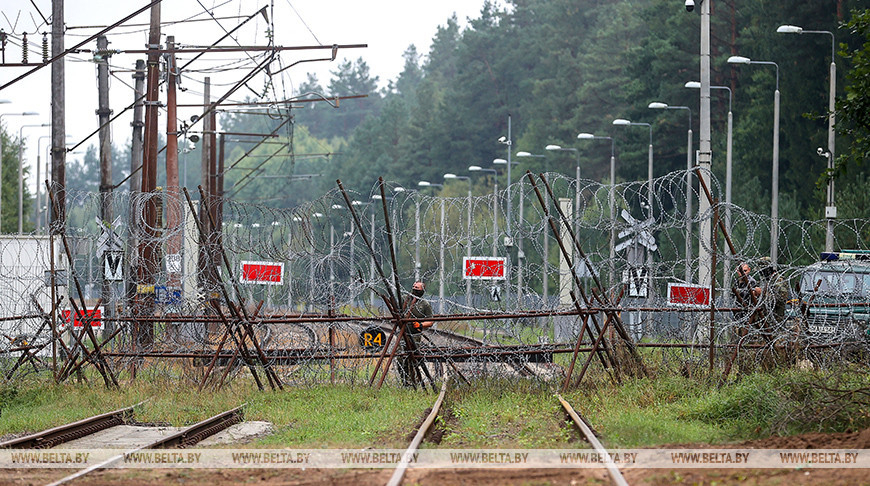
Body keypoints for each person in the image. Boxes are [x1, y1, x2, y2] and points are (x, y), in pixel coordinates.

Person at [397, 281, 434, 387]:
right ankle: (404, 380)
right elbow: (396, 311)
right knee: (400, 357)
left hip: (415, 335)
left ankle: (413, 380)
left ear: (422, 290)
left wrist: (420, 325)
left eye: (417, 288)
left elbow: (430, 321)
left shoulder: (424, 304)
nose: (415, 289)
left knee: (412, 358)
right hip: (402, 334)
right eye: (413, 287)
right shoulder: (405, 299)